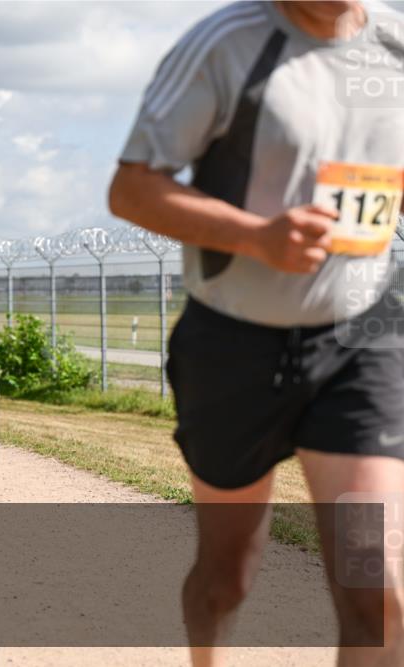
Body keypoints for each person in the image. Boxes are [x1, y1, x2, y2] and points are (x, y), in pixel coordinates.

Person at [108, 2, 403, 665]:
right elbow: (131, 190)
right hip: (234, 349)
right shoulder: (226, 44)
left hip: (361, 344)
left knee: (375, 580)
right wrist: (257, 237)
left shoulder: (396, 46)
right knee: (226, 576)